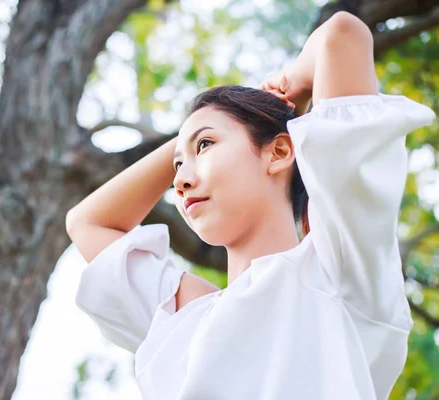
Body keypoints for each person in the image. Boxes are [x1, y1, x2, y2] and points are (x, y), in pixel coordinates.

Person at [65, 11, 436, 400]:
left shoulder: (339, 272)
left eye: (206, 145)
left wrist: (287, 91)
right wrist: (192, 133)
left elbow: (342, 36)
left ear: (278, 151)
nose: (179, 180)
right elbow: (86, 222)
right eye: (176, 166)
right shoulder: (185, 323)